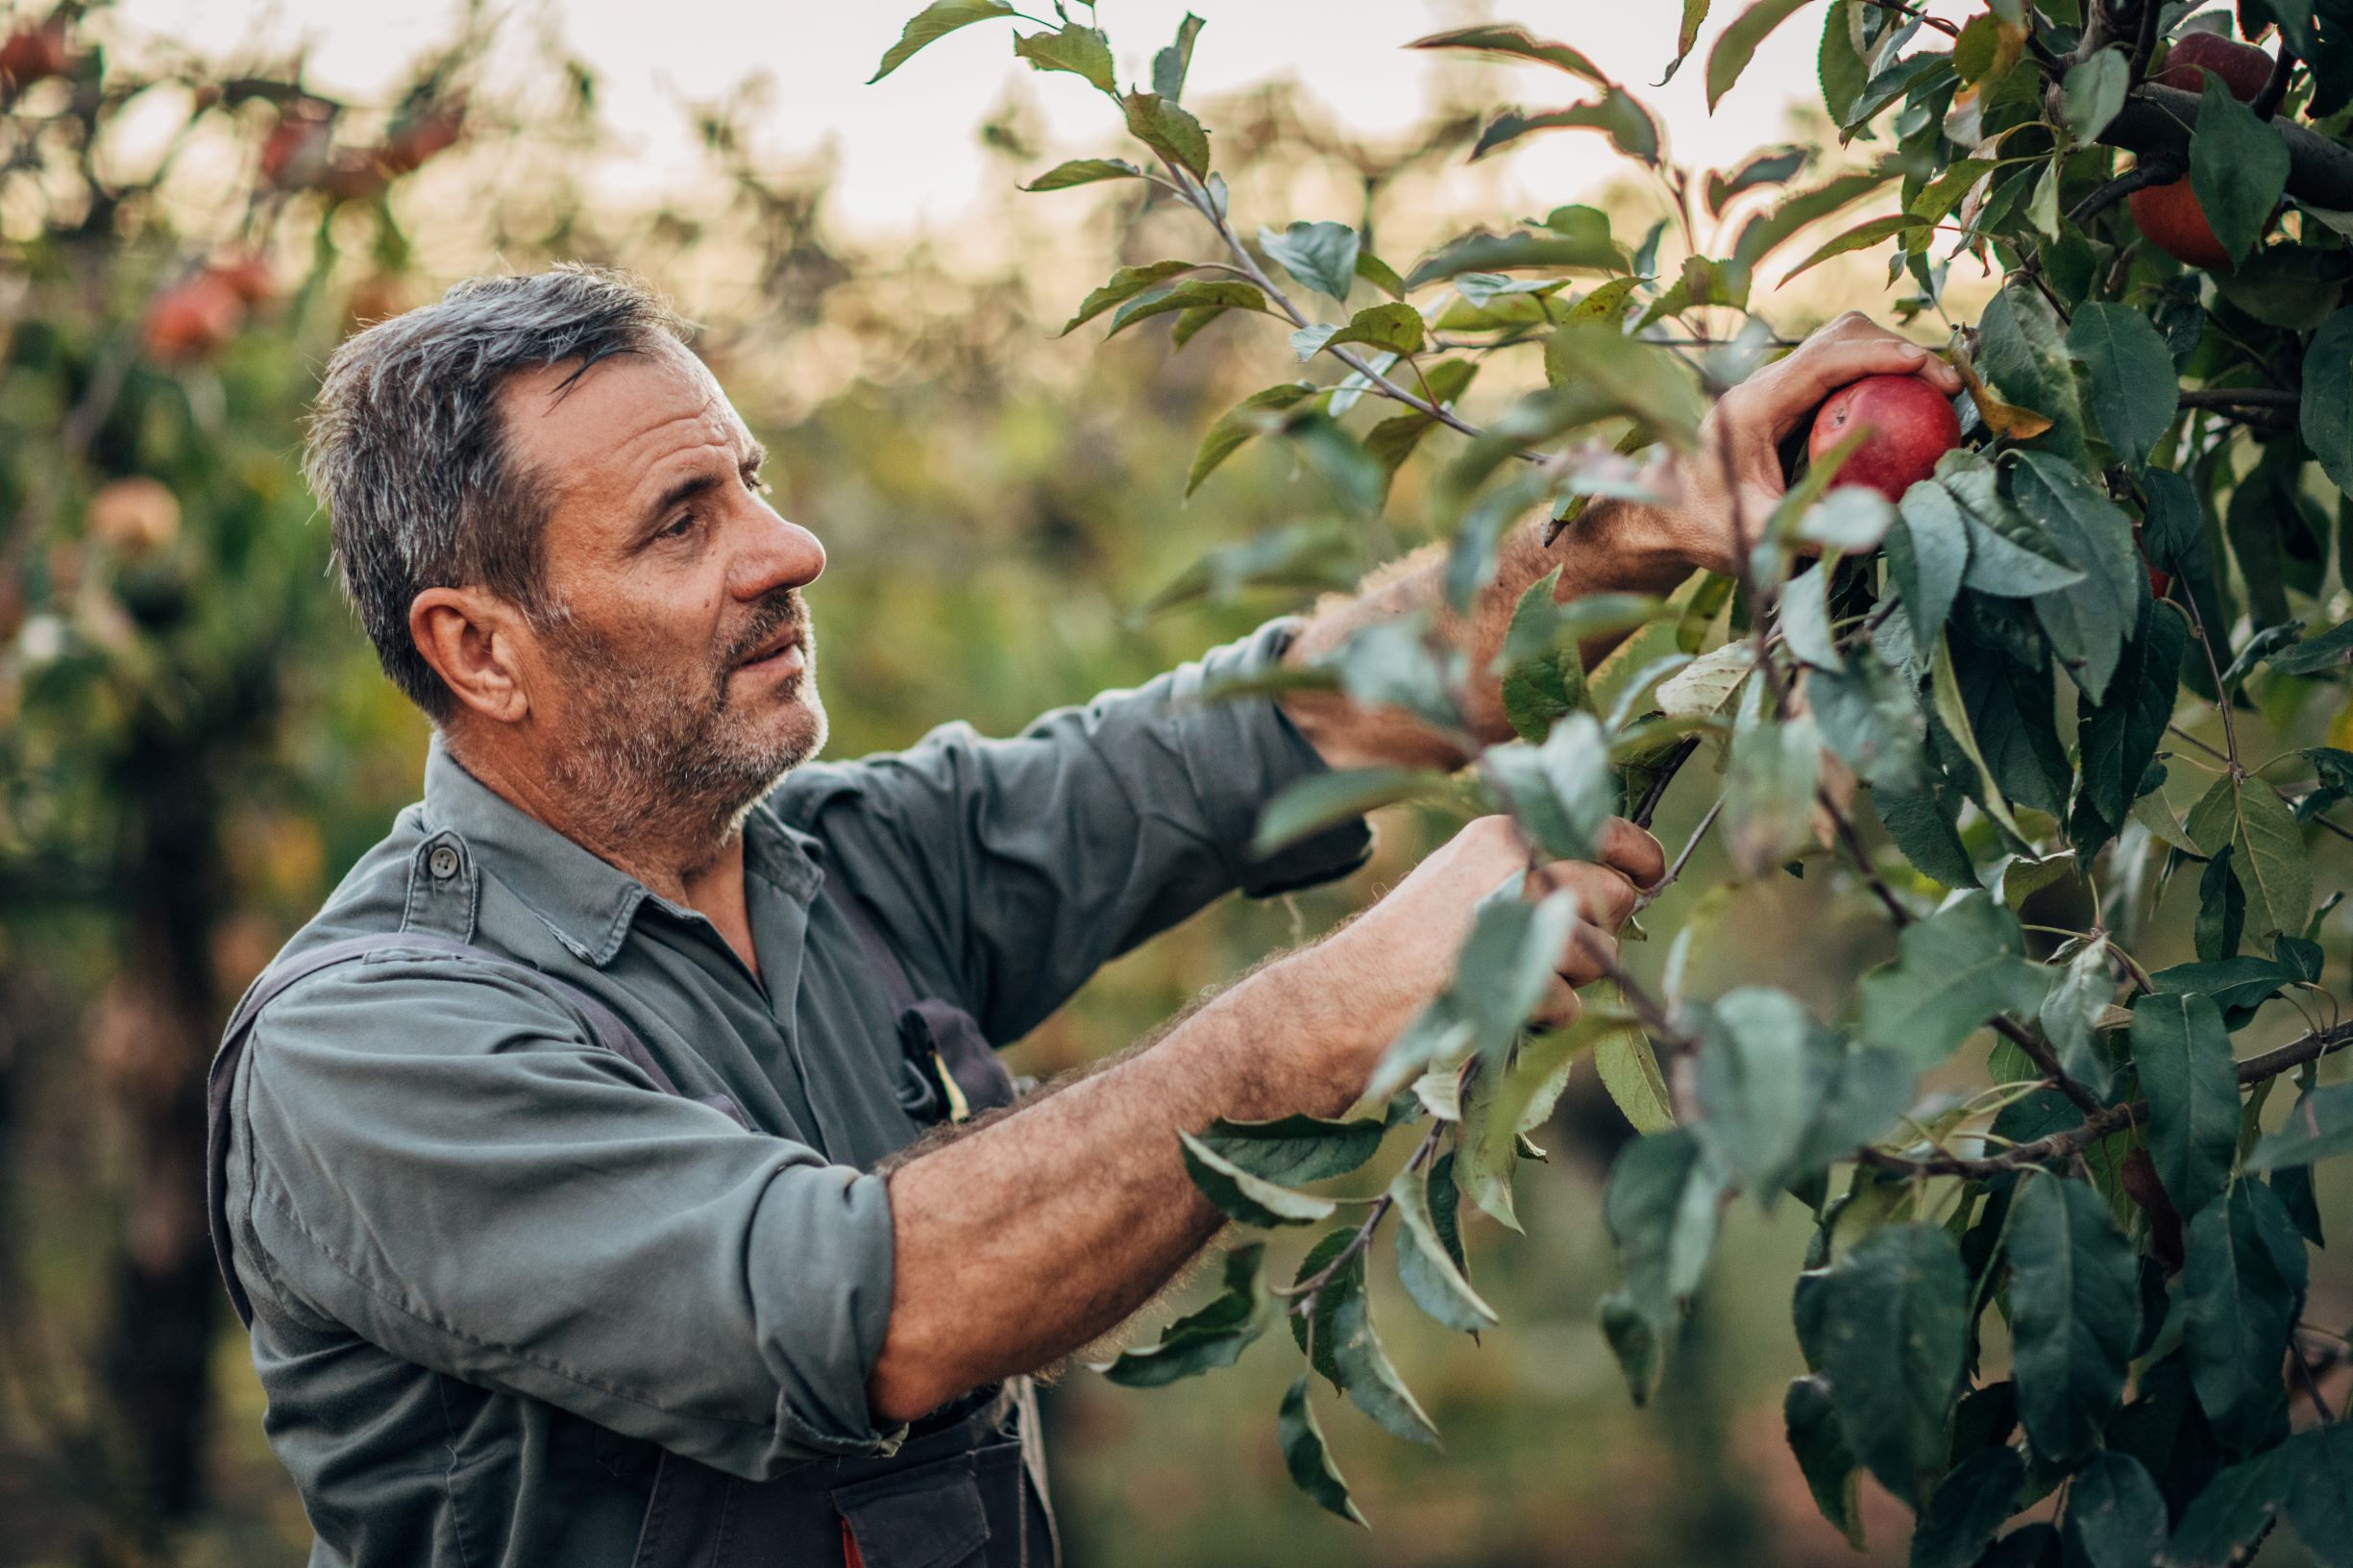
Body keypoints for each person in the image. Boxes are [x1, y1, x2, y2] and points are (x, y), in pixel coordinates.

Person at [206, 264, 1963, 1568]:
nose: (788, 545)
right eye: (685, 521)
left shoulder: (835, 860)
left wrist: (1654, 523)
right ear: (478, 648)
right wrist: (1312, 1024)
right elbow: (868, 1312)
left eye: (751, 476)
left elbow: (1295, 720)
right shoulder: (370, 1050)